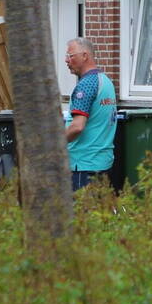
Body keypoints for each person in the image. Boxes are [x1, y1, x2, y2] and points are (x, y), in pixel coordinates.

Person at [64, 37, 117, 191]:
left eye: (70, 56)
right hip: (103, 163)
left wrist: (55, 145)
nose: (66, 60)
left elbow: (77, 127)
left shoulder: (86, 85)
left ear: (85, 56)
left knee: (82, 214)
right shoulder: (105, 82)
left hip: (83, 166)